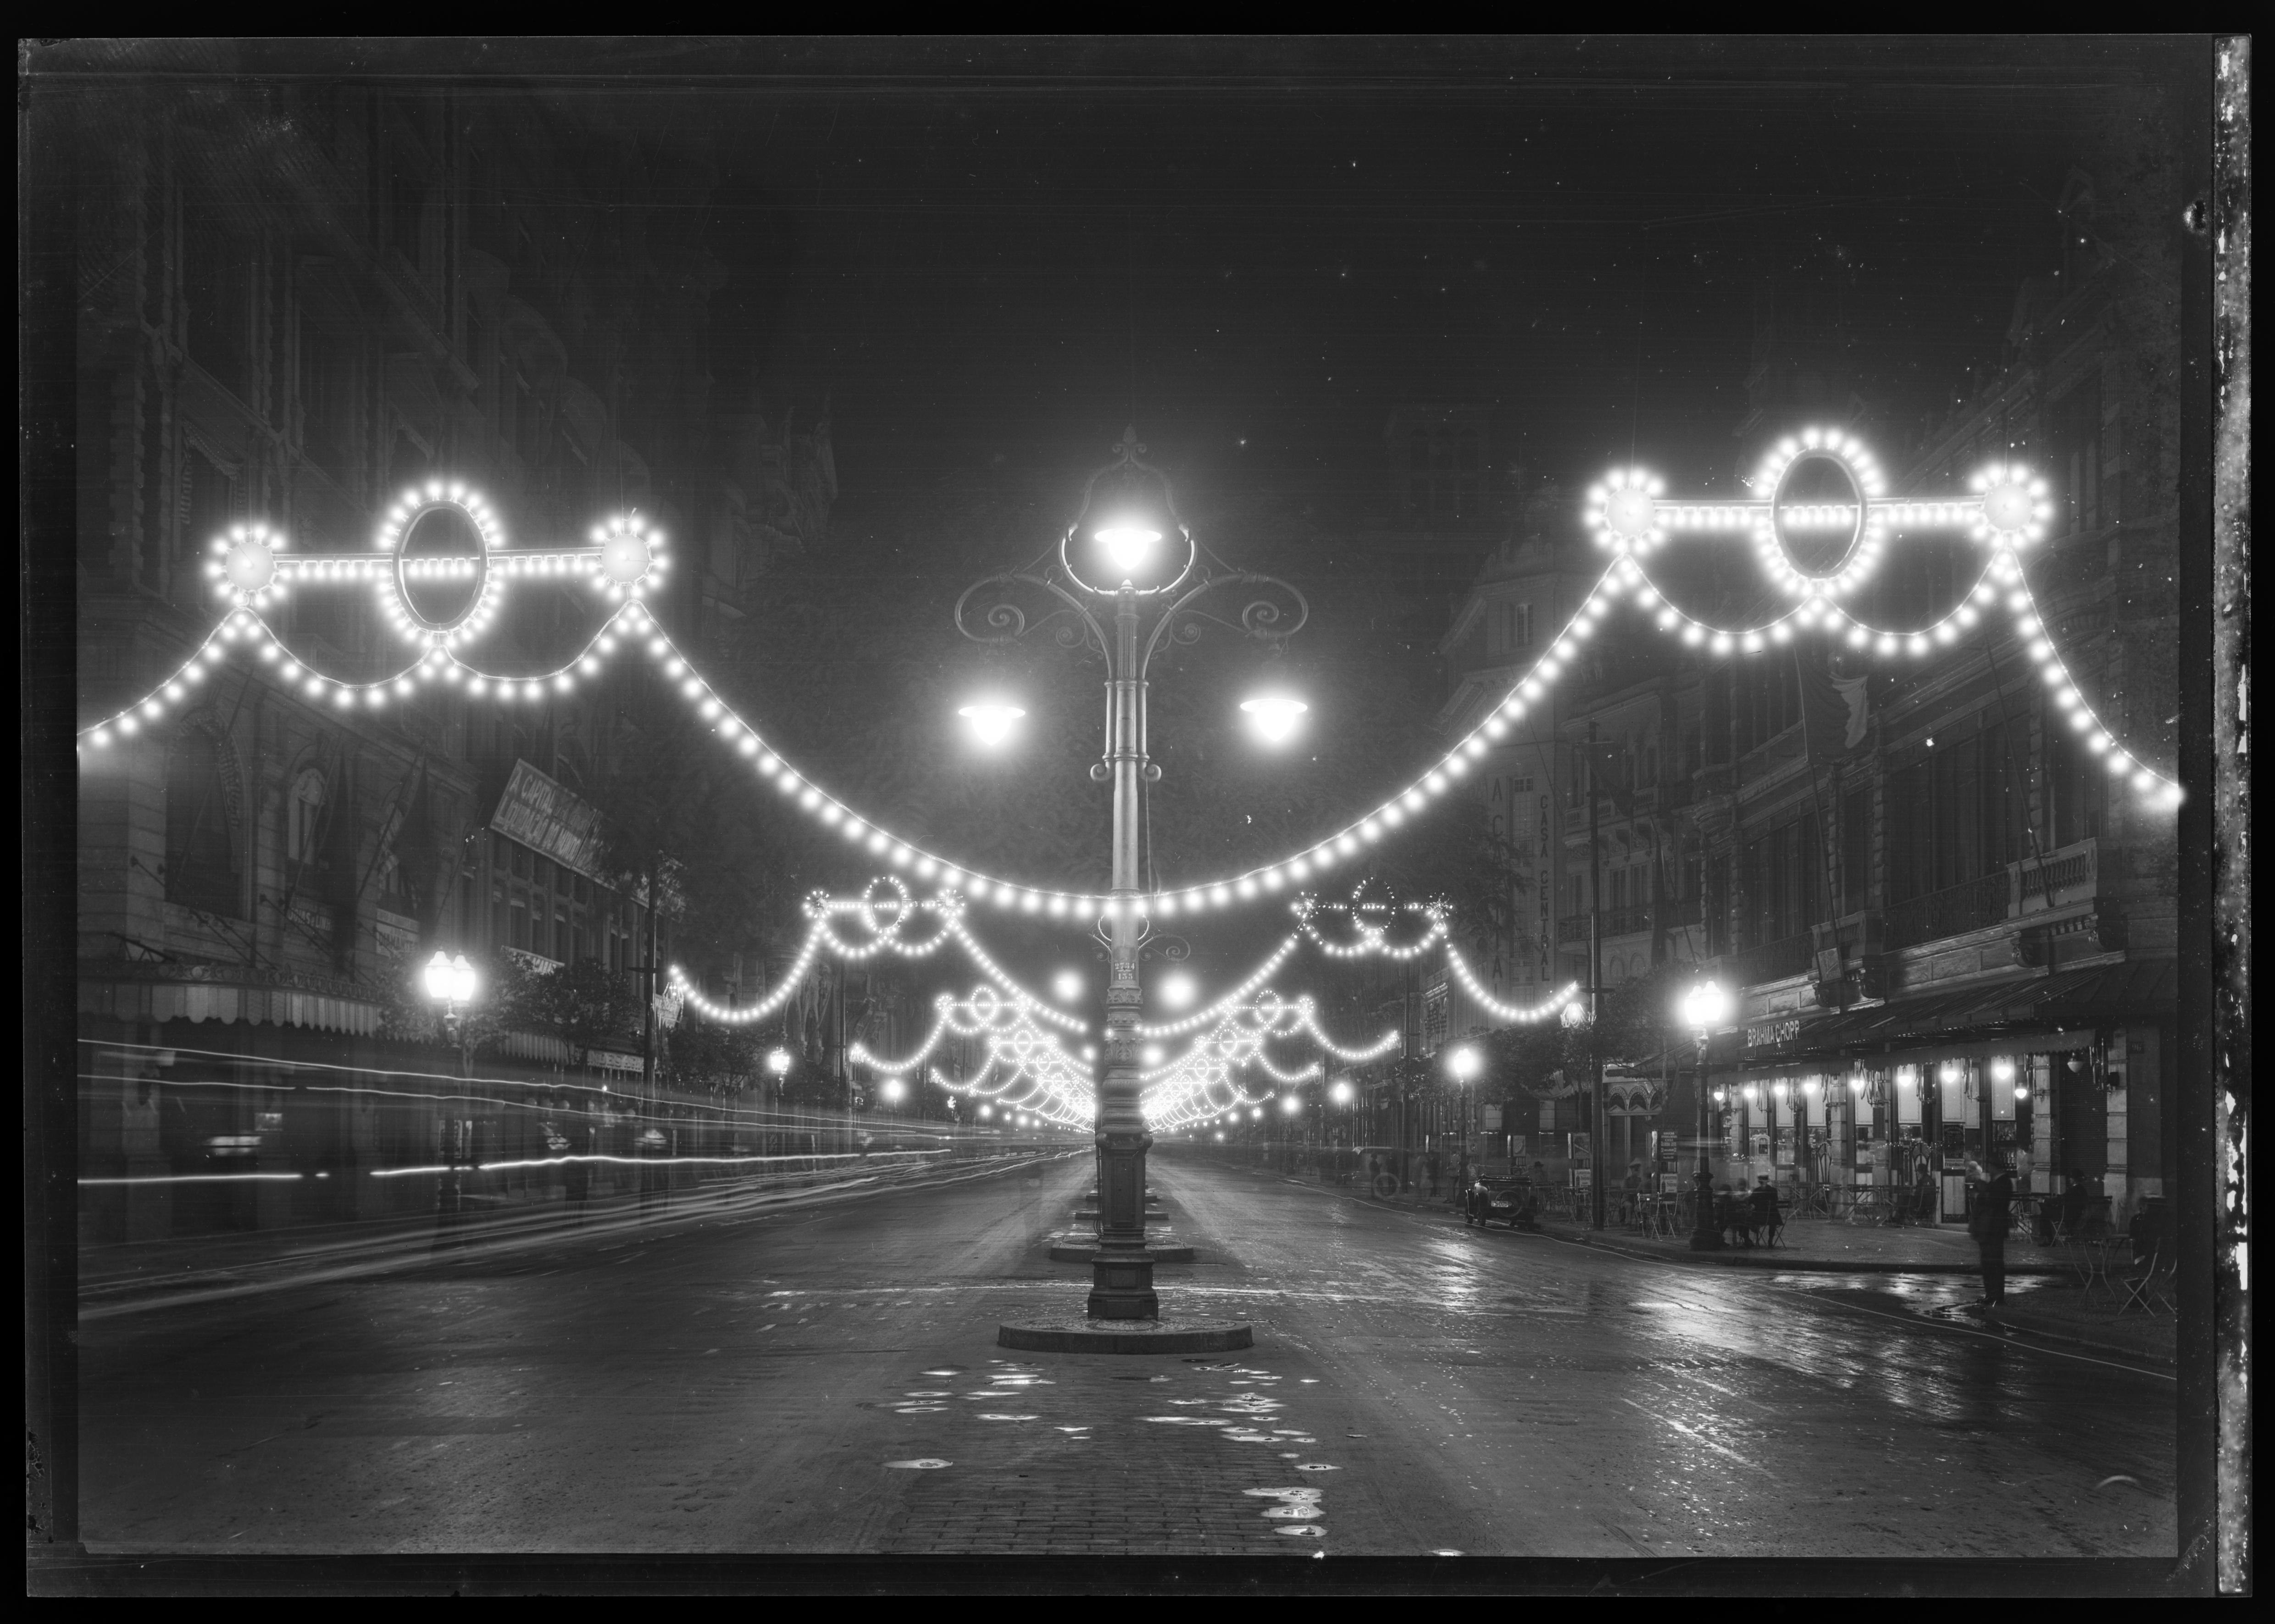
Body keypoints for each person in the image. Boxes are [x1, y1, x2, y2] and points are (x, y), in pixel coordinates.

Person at [1968, 1157, 2015, 1308]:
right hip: (1991, 1228)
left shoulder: (2003, 1182)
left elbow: (1994, 1201)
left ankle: (1996, 1296)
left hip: (1994, 1228)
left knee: (1993, 1263)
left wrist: (1979, 1196)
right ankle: (1992, 1295)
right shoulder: (1998, 1182)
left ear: (1995, 1167)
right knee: (1989, 1263)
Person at [1749, 1175, 1781, 1247]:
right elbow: (1775, 1202)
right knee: (1773, 1221)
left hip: (1759, 1216)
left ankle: (1757, 1237)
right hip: (1771, 1216)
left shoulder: (1757, 1191)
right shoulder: (1773, 1190)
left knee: (1750, 1220)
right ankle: (1770, 1240)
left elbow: (1751, 1201)